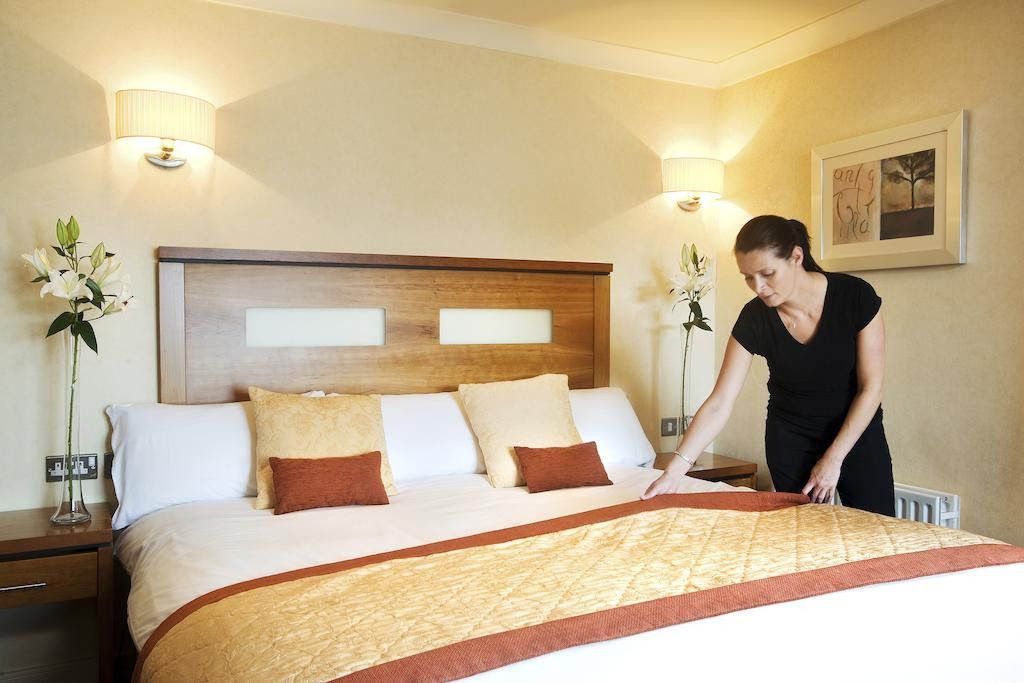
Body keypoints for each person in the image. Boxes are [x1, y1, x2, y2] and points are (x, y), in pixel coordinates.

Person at [643, 215, 895, 516]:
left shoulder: (855, 297)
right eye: (748, 277)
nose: (758, 287)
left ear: (796, 257)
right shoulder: (754, 318)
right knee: (802, 533)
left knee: (879, 527)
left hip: (856, 432)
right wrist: (674, 472)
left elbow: (871, 388)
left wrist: (834, 458)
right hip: (791, 437)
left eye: (767, 274)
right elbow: (720, 402)